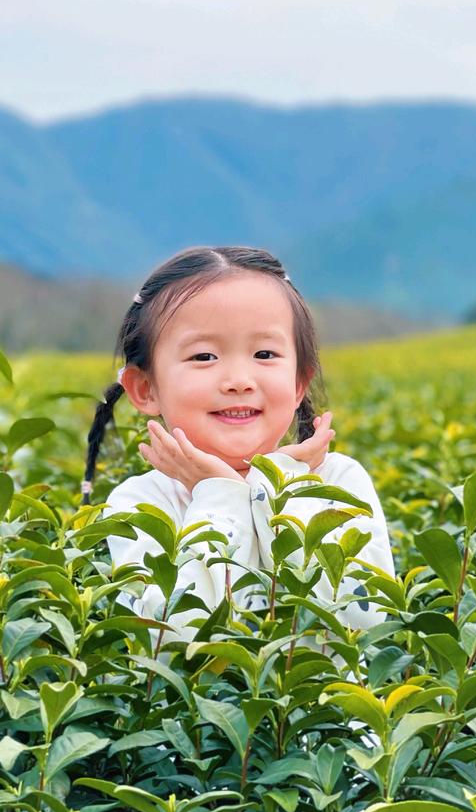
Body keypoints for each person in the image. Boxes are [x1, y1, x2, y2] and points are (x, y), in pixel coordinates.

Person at [81, 245, 395, 648]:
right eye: (204, 356)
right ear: (146, 388)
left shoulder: (339, 481)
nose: (238, 380)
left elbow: (367, 621)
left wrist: (279, 483)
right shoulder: (142, 502)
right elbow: (164, 640)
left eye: (265, 353)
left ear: (299, 382)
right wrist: (220, 494)